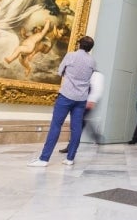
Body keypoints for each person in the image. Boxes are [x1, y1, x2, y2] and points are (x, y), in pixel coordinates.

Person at [27, 36, 99, 167]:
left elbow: (60, 72)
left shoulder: (70, 56)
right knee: (76, 129)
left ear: (79, 45)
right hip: (81, 99)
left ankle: (44, 159)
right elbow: (90, 77)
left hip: (66, 96)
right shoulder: (92, 62)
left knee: (56, 126)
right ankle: (70, 158)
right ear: (90, 48)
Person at [59, 70, 105, 153]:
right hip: (81, 101)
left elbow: (97, 89)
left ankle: (71, 146)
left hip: (88, 102)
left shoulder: (96, 74)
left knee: (78, 123)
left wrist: (92, 100)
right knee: (82, 122)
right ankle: (95, 136)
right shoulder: (86, 73)